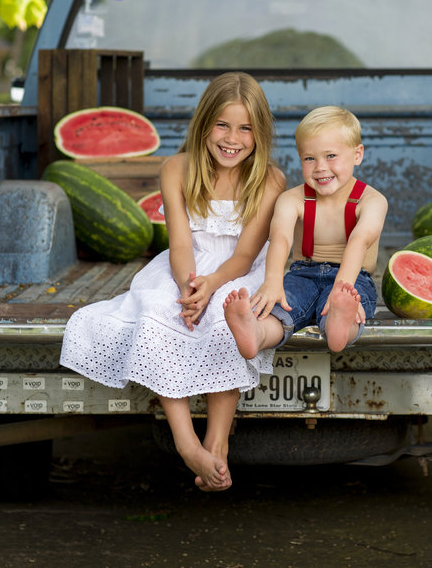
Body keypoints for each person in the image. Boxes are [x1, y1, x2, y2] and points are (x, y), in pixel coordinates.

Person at [60, 72, 286, 492]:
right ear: (203, 125)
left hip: (237, 270)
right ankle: (186, 443)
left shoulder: (270, 179)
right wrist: (188, 287)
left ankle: (217, 443)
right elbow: (180, 243)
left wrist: (212, 286)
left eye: (245, 128)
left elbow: (245, 254)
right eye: (222, 125)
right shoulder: (176, 168)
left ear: (260, 133)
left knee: (225, 321)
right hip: (187, 267)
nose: (232, 138)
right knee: (160, 315)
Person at [224, 105, 388, 358]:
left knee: (348, 306)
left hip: (353, 279)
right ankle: (255, 333)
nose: (320, 167)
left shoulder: (372, 200)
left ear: (357, 154)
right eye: (309, 158)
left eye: (331, 156)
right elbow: (280, 238)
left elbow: (359, 240)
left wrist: (340, 289)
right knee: (281, 308)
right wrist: (273, 282)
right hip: (302, 274)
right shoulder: (293, 199)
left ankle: (339, 327)